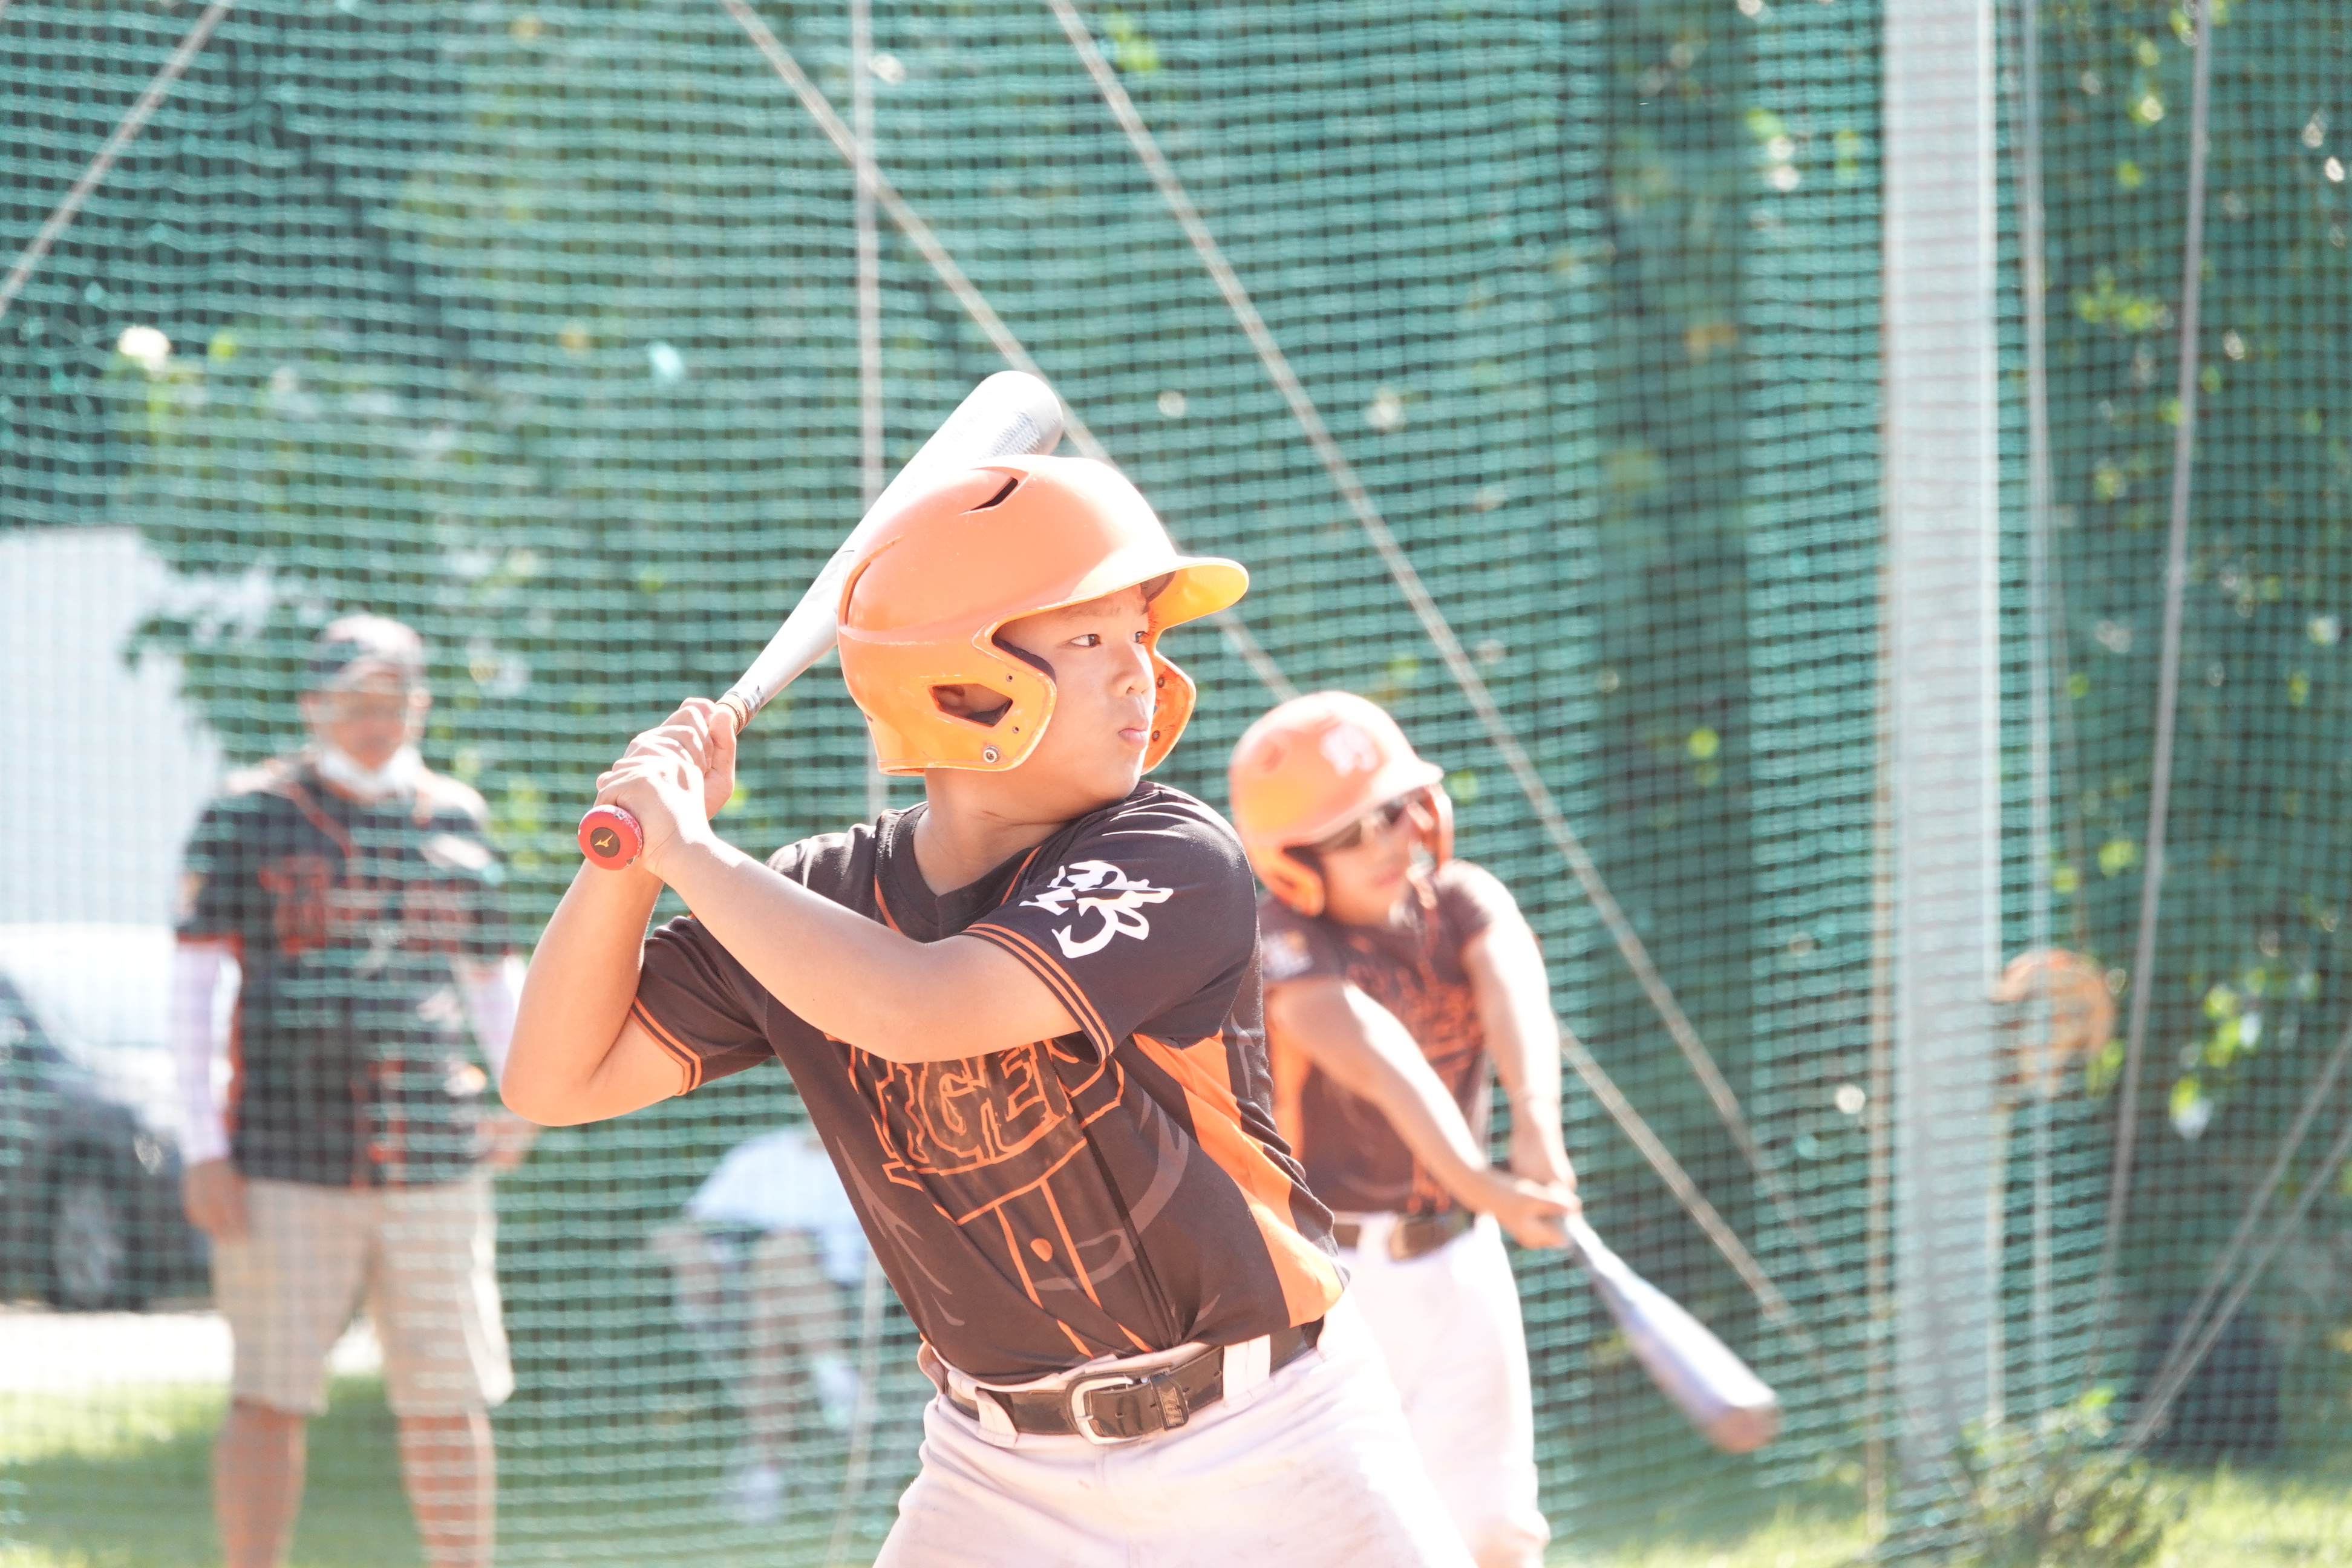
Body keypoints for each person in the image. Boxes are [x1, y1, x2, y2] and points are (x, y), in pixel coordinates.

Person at [503, 455, 1472, 1566]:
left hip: (1267, 1432)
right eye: (1090, 637)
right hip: (1000, 1468)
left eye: (1140, 635)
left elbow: (924, 1004)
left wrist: (690, 850)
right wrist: (629, 861)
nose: (1141, 671)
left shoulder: (1172, 853)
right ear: (957, 687)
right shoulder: (811, 902)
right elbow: (552, 1079)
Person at [173, 615, 534, 1568]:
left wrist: (529, 1097)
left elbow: (491, 978)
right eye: (355, 701)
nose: (376, 720)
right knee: (268, 1393)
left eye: (394, 699)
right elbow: (193, 990)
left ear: (420, 705)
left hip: (433, 1152)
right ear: (313, 706)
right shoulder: (247, 816)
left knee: (449, 1398)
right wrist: (202, 1146)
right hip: (284, 1157)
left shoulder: (455, 817)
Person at [1229, 691, 1578, 1568]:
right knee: (1358, 1544)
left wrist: (1536, 1127)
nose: (1388, 842)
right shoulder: (1282, 938)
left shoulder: (1460, 901)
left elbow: (1514, 991)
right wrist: (1478, 1178)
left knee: (1496, 1530)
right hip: (1335, 1283)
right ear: (1295, 859)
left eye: (1395, 811)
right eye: (1350, 832)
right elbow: (1377, 1056)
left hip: (1462, 1257)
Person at [647, 1125, 871, 1524]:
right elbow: (690, 1225)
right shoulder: (760, 1157)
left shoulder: (867, 1162)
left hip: (846, 1305)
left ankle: (766, 1475)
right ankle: (833, 1376)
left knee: (778, 1280)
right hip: (744, 1303)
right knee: (776, 1268)